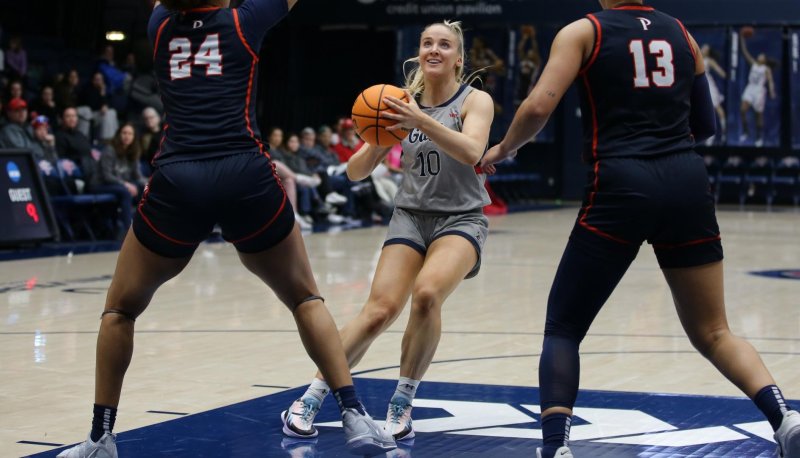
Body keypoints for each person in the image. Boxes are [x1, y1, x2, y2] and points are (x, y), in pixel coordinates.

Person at [55, 1, 396, 457]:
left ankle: (101, 439)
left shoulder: (158, 24)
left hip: (180, 180)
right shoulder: (243, 19)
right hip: (245, 175)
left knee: (120, 310)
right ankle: (353, 414)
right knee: (304, 297)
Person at [480, 2, 800, 457]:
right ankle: (785, 419)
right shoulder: (681, 33)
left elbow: (537, 106)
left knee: (564, 327)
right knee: (714, 332)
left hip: (622, 183)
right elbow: (706, 124)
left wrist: (503, 148)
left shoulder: (582, 32)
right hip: (686, 182)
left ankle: (555, 448)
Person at [282, 20, 495, 443]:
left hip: (462, 217)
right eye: (427, 43)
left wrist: (420, 119)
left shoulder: (476, 101)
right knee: (379, 310)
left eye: (444, 44)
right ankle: (313, 394)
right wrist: (378, 134)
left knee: (429, 294)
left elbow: (472, 151)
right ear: (418, 53)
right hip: (410, 215)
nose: (434, 49)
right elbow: (355, 170)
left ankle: (402, 402)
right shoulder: (399, 103)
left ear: (458, 57)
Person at [739, 30, 776, 148]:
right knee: (743, 110)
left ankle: (759, 137)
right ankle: (745, 131)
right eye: (759, 55)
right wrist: (742, 39)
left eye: (762, 56)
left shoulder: (766, 68)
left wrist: (771, 91)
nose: (759, 56)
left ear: (764, 59)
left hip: (759, 91)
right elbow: (745, 52)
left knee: (758, 115)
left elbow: (770, 81)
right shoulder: (754, 63)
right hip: (750, 88)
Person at [700, 44, 727, 145]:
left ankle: (723, 132)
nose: (703, 49)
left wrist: (726, 76)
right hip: (699, 85)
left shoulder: (709, 60)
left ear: (708, 52)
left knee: (717, 108)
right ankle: (707, 135)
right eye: (703, 47)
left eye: (706, 48)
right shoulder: (696, 58)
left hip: (708, 85)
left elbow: (721, 72)